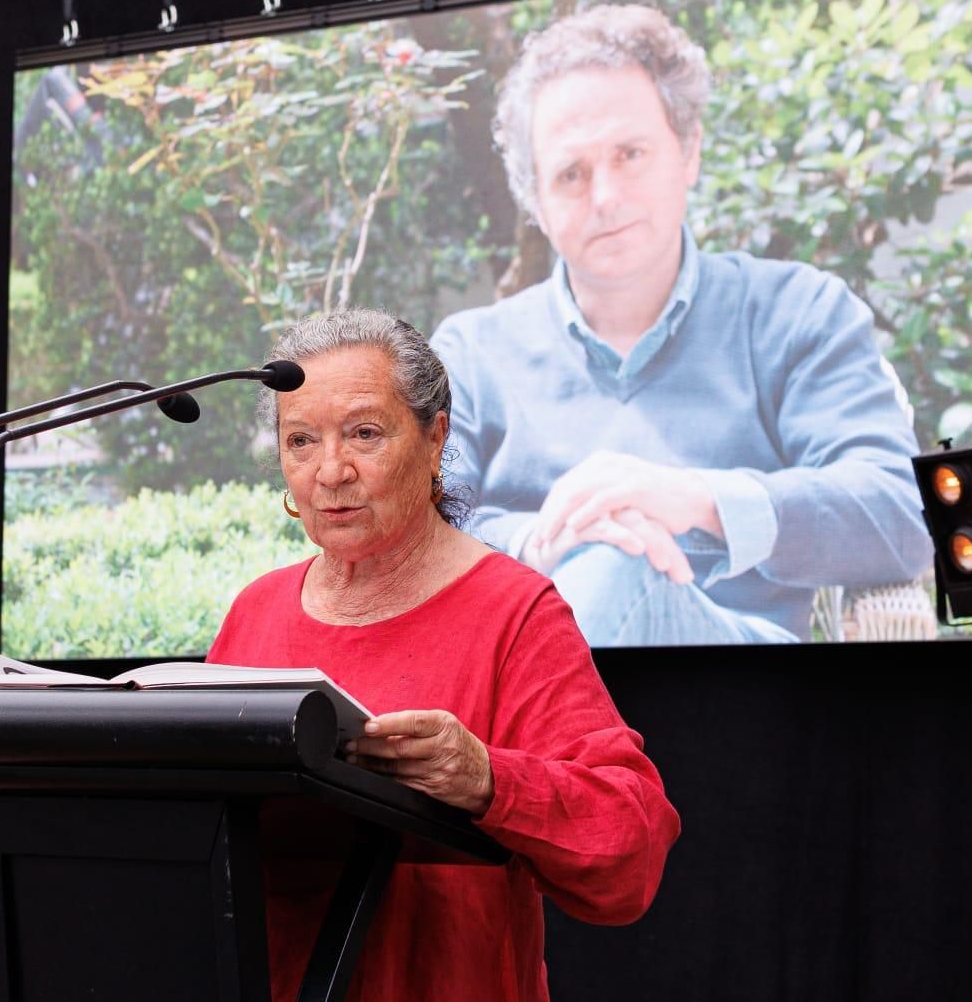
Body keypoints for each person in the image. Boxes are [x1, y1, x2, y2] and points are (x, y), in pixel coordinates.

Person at [207, 310, 680, 1002]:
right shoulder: (258, 608)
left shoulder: (513, 610)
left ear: (435, 439)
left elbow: (630, 850)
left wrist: (490, 780)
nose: (330, 470)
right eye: (300, 440)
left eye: (364, 433)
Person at [429, 4, 933, 647]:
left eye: (630, 154)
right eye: (571, 173)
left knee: (616, 570)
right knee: (595, 569)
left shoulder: (795, 311)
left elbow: (901, 513)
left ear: (688, 152)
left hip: (738, 693)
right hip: (532, 685)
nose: (604, 196)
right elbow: (416, 532)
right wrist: (541, 544)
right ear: (537, 203)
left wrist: (698, 499)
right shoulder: (471, 354)